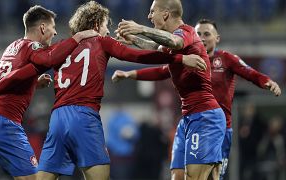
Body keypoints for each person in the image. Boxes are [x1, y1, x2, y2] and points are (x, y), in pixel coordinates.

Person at [0, 2, 208, 180]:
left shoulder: (61, 47)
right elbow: (139, 56)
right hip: (84, 116)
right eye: (106, 24)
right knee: (100, 174)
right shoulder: (102, 41)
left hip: (57, 118)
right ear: (97, 24)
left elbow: (23, 72)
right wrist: (180, 58)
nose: (108, 30)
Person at [113, 18, 282, 180]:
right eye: (198, 33)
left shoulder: (226, 59)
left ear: (217, 38)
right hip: (192, 122)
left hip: (217, 127)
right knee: (178, 175)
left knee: (210, 177)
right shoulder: (188, 58)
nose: (202, 38)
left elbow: (250, 73)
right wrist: (129, 74)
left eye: (207, 34)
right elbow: (162, 70)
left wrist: (267, 82)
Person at [0, 5, 98, 180]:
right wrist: (78, 37)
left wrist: (34, 83)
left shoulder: (13, 46)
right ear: (43, 27)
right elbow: (47, 60)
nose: (55, 32)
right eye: (53, 27)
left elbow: (18, 75)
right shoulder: (32, 46)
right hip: (4, 124)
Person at [114, 0, 227, 179]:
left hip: (206, 118)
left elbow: (174, 41)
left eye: (152, 12)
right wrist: (134, 40)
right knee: (177, 176)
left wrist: (141, 29)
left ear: (165, 14)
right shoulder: (176, 44)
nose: (149, 16)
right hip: (188, 119)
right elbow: (159, 49)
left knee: (194, 177)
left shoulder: (186, 32)